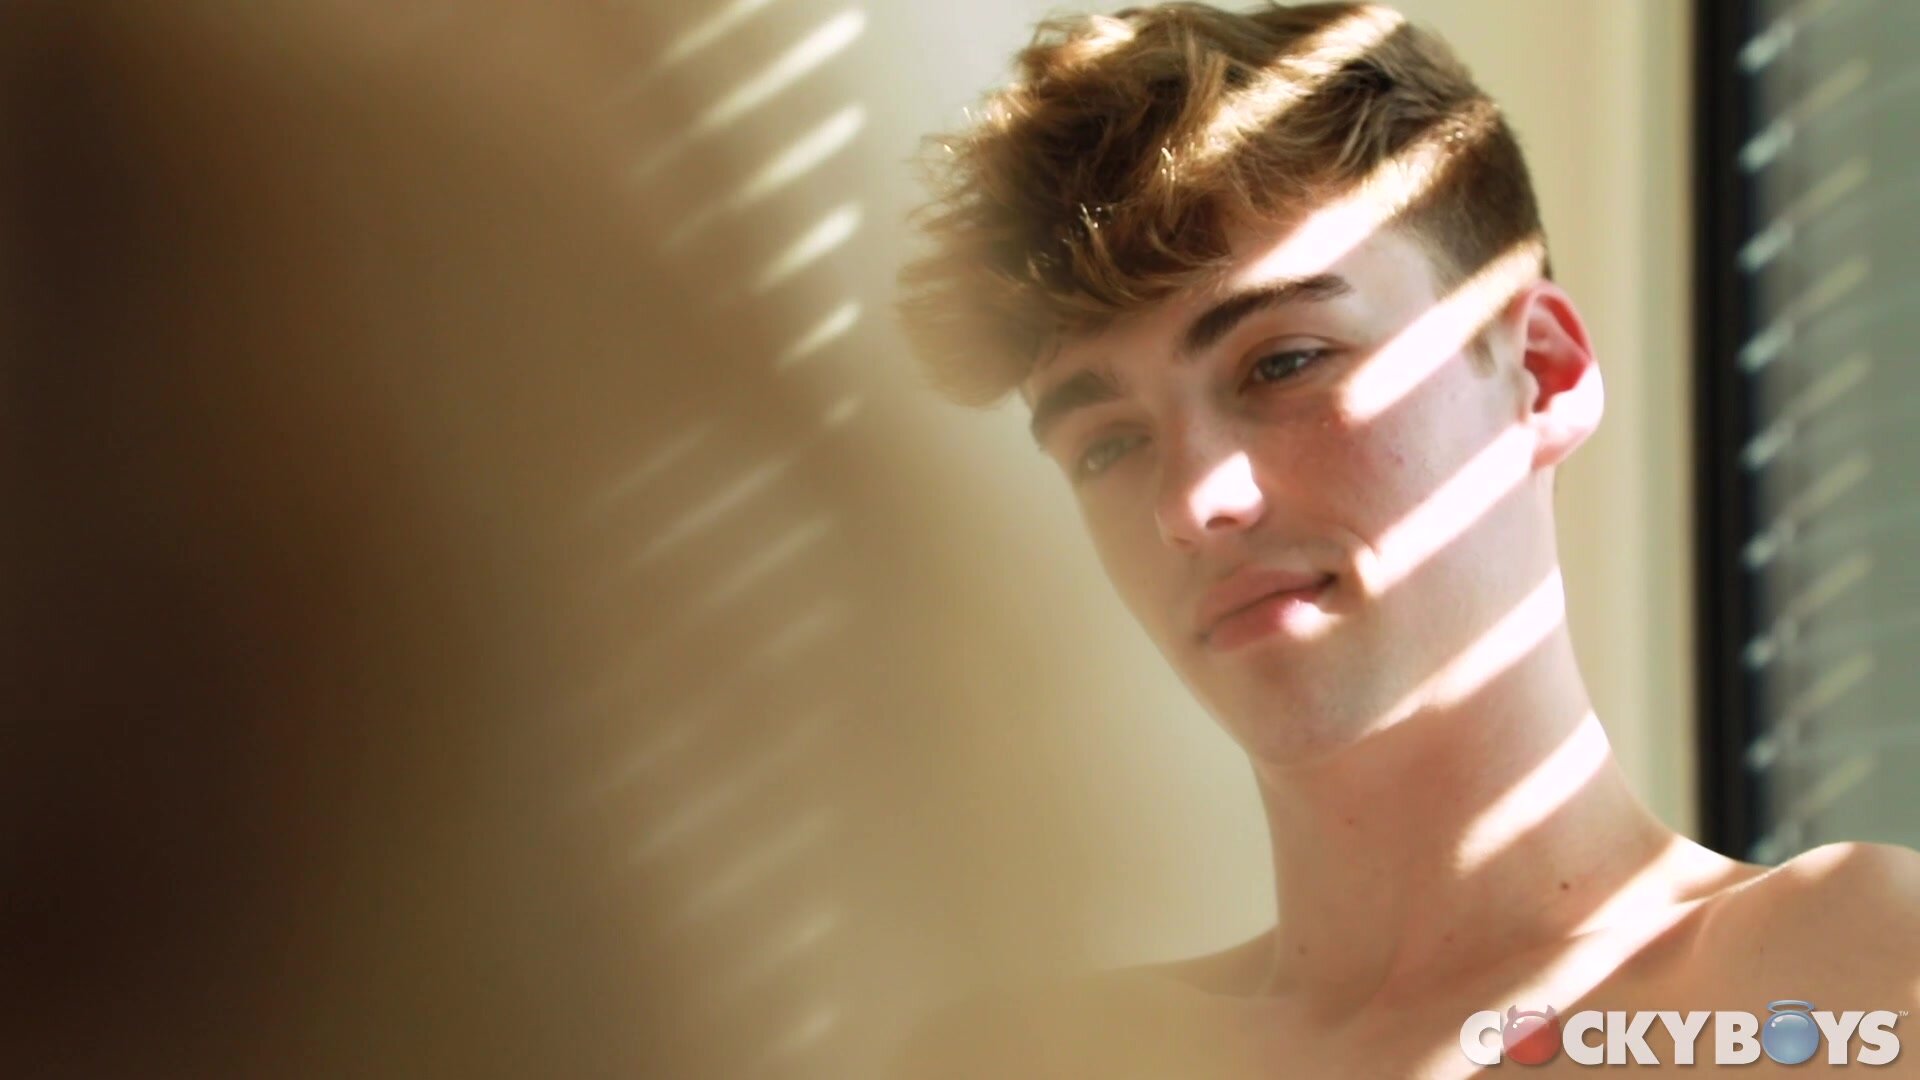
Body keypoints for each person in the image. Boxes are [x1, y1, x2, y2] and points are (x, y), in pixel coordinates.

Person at [890, 3, 1920, 1076]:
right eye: (1107, 444)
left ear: (1541, 374)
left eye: (1283, 362)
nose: (1191, 502)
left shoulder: (1839, 982)